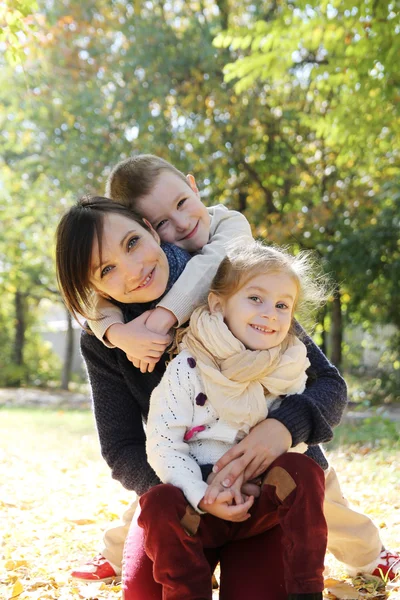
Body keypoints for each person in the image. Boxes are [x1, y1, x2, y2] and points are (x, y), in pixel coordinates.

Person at [67, 155, 399, 586]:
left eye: (133, 243)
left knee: (326, 501)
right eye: (108, 268)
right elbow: (126, 447)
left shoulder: (234, 284)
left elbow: (327, 384)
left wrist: (284, 428)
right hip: (182, 454)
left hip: (269, 444)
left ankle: (373, 556)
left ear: (146, 233)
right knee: (153, 501)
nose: (133, 268)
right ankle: (117, 551)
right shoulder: (110, 331)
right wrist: (196, 487)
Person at [139, 242, 330, 600]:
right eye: (255, 298)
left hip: (258, 503)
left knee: (305, 471)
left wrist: (258, 478)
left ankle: (306, 590)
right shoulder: (188, 366)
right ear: (217, 303)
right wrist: (201, 494)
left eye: (282, 305)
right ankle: (187, 593)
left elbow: (297, 440)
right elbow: (163, 442)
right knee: (158, 502)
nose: (270, 313)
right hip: (199, 503)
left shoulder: (289, 364)